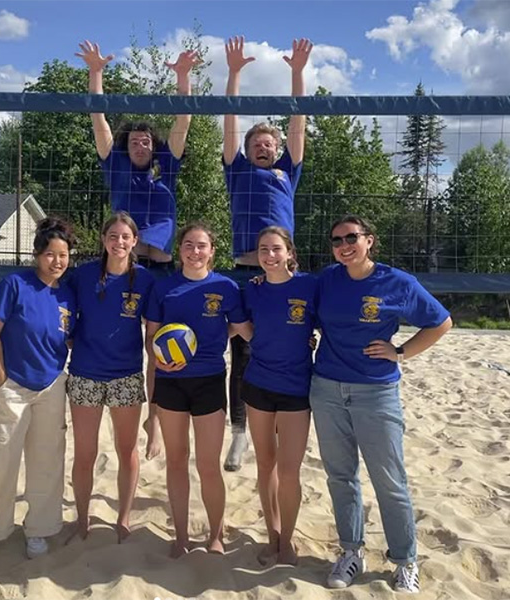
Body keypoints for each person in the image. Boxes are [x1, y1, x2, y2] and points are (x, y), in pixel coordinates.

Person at [311, 215, 453, 593]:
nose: (344, 245)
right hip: (326, 388)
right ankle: (351, 551)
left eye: (351, 237)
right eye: (337, 239)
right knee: (341, 477)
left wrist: (401, 352)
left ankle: (405, 560)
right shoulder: (327, 279)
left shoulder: (397, 282)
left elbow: (441, 323)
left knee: (389, 481)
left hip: (375, 391)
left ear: (369, 241)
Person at [222, 36, 312, 471]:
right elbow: (230, 122)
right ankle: (239, 434)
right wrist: (234, 72)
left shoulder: (286, 173)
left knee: (288, 344)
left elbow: (298, 123)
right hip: (245, 272)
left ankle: (281, 425)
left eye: (269, 143)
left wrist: (297, 72)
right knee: (241, 352)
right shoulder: (237, 171)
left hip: (284, 275)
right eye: (257, 142)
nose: (263, 146)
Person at [0, 217, 76, 568]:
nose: (57, 261)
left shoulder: (67, 293)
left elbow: (69, 338)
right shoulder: (15, 283)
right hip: (13, 386)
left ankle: (38, 528)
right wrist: (0, 378)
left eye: (63, 255)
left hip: (51, 386)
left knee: (46, 463)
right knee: (0, 463)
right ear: (37, 254)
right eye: (50, 254)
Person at [145, 222, 249, 557]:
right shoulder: (165, 288)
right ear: (180, 250)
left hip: (209, 381)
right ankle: (180, 536)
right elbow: (152, 338)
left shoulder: (226, 287)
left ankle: (215, 535)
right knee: (176, 461)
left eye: (201, 245)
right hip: (171, 382)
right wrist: (159, 358)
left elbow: (241, 328)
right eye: (188, 245)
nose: (195, 251)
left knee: (208, 465)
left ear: (212, 251)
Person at [67, 212, 158, 542]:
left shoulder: (145, 280)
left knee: (127, 449)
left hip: (126, 375)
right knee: (85, 453)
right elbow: (62, 313)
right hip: (85, 374)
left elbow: (153, 332)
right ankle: (81, 517)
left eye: (125, 237)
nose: (119, 242)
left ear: (135, 241)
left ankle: (123, 517)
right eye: (113, 236)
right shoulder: (82, 276)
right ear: (104, 240)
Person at [77, 39, 200, 268]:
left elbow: (184, 118)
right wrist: (95, 72)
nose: (140, 146)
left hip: (160, 258)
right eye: (134, 142)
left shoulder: (167, 161)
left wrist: (183, 76)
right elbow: (97, 117)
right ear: (126, 145)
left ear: (154, 146)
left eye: (146, 142)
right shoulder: (115, 162)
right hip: (128, 257)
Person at [235, 226, 317, 566]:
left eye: (276, 249)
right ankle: (273, 535)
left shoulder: (309, 286)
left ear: (289, 253)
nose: (269, 256)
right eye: (263, 249)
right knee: (265, 464)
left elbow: (332, 323)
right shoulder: (252, 290)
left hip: (297, 388)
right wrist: (261, 343)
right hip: (259, 385)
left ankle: (288, 541)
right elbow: (242, 326)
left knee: (289, 470)